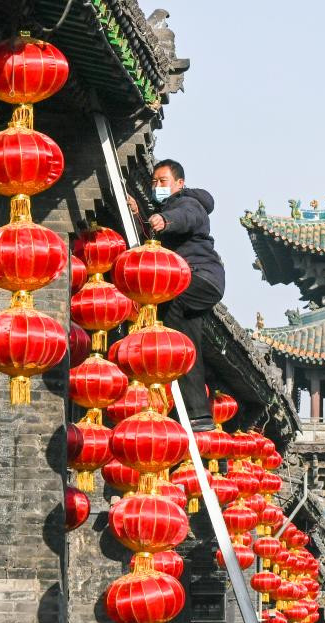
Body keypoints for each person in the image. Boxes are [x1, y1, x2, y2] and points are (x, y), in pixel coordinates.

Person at [126, 159, 224, 432]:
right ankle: (198, 414)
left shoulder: (188, 203)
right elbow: (154, 238)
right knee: (185, 343)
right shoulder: (166, 208)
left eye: (163, 181)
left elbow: (184, 219)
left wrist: (165, 219)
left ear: (179, 183)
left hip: (199, 277)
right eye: (154, 181)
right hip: (191, 282)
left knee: (167, 308)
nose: (157, 186)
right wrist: (139, 215)